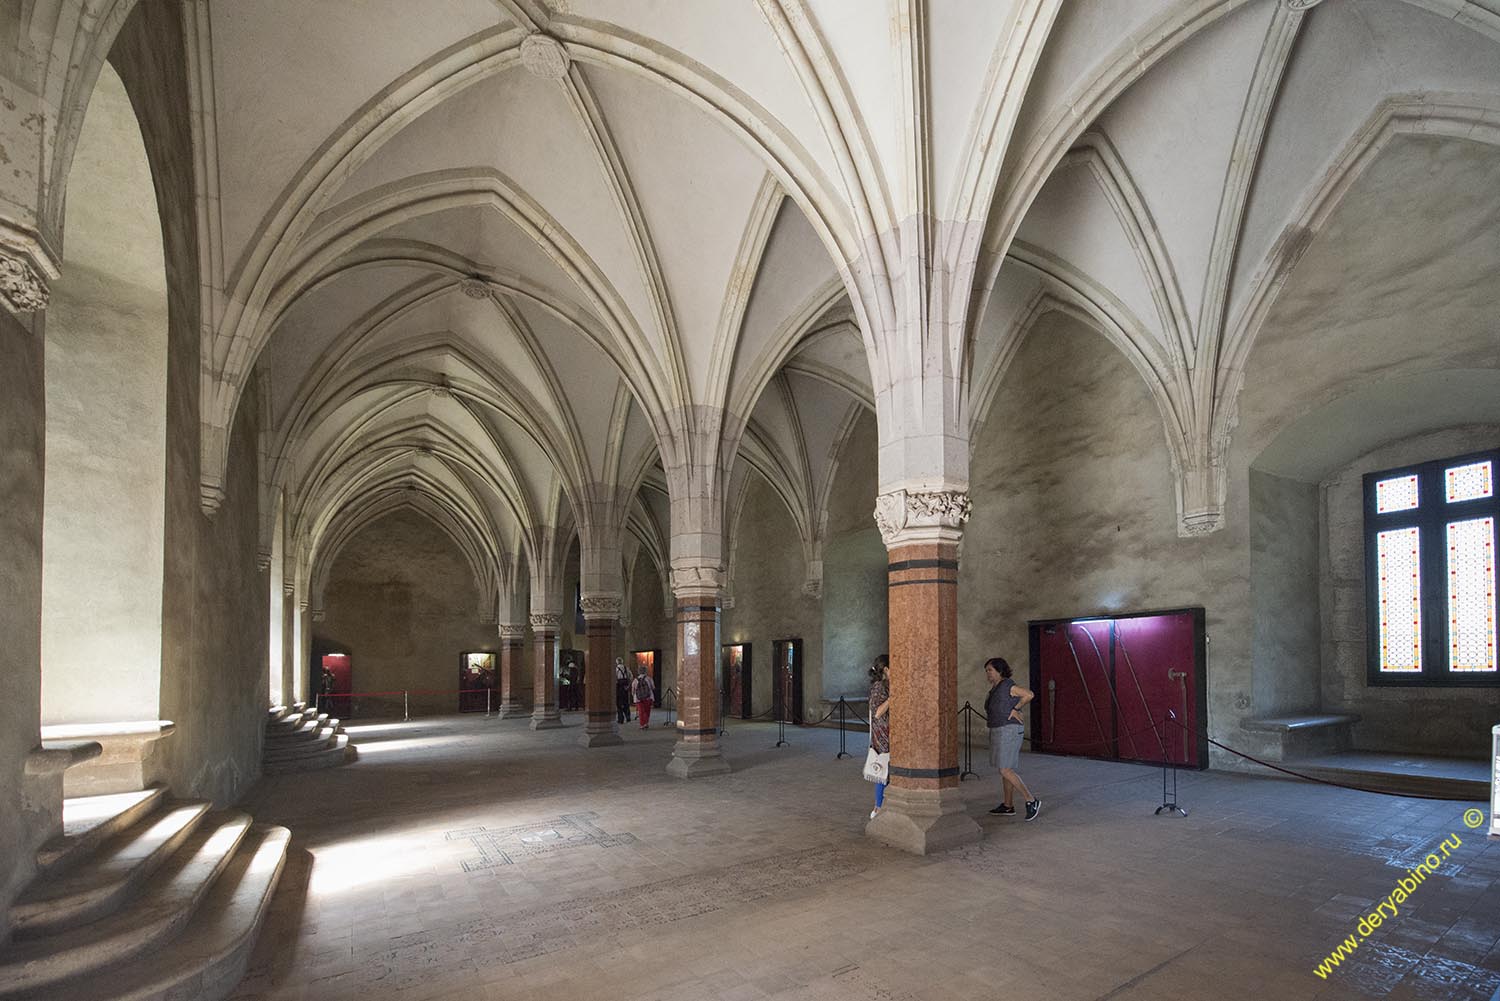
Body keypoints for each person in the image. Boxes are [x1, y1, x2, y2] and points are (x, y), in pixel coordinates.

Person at [984, 657, 1040, 821]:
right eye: (986, 671)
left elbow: (1029, 694)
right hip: (999, 730)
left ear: (999, 671)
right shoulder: (995, 689)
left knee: (1005, 769)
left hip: (1009, 730)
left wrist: (1016, 708)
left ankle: (1031, 800)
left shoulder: (1007, 685)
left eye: (990, 670)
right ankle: (1008, 806)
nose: (987, 674)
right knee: (1005, 768)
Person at [867, 654, 891, 820]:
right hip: (882, 734)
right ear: (887, 669)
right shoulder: (879, 687)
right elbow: (877, 712)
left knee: (889, 771)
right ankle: (877, 808)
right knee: (883, 771)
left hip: (889, 732)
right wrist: (892, 698)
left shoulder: (887, 684)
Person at [614, 656, 632, 724]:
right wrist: (628, 685)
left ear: (617, 662)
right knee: (626, 702)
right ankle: (628, 717)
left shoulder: (616, 669)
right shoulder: (626, 668)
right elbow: (631, 677)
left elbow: (614, 679)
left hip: (619, 687)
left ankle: (620, 719)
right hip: (625, 687)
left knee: (619, 703)